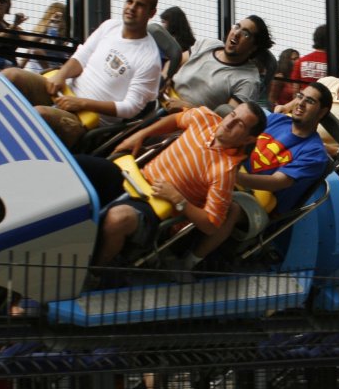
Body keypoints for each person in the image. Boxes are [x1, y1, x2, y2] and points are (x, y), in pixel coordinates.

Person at [91, 102, 267, 270]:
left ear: (248, 139)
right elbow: (175, 119)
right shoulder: (205, 117)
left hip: (154, 208)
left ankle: (94, 272)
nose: (229, 123)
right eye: (232, 115)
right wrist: (142, 134)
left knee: (118, 219)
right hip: (134, 177)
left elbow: (211, 224)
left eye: (240, 124)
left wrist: (178, 199)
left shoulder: (225, 171)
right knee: (84, 167)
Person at [4, 0, 162, 148]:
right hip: (63, 93)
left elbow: (130, 108)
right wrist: (62, 75)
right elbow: (81, 57)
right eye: (129, 1)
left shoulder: (149, 59)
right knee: (11, 76)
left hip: (88, 122)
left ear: (152, 13)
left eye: (140, 5)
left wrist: (81, 103)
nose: (132, 8)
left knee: (39, 115)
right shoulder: (110, 26)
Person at [240, 82, 333, 215]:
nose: (301, 103)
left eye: (310, 101)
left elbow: (276, 182)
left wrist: (233, 177)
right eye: (300, 96)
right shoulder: (277, 119)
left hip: (257, 207)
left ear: (322, 112)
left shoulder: (316, 154)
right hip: (237, 175)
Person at [167, 16, 272, 110]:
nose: (236, 33)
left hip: (188, 123)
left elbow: (226, 121)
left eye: (245, 33)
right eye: (237, 27)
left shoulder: (248, 80)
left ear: (253, 47)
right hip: (164, 99)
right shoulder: (208, 44)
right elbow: (174, 63)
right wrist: (165, 77)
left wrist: (188, 107)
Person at [19, 2, 69, 72]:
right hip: (43, 74)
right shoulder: (40, 37)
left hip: (56, 73)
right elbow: (23, 62)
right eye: (55, 18)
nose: (56, 22)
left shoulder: (63, 42)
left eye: (60, 19)